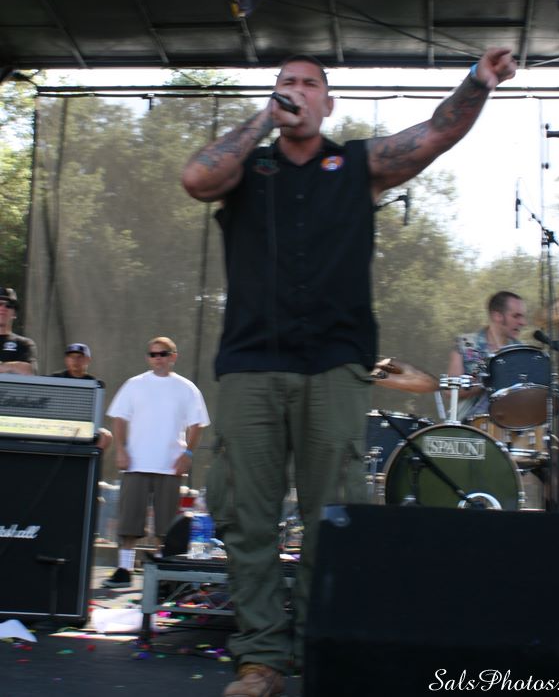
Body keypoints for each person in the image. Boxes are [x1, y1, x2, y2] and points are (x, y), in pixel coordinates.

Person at [181, 47, 516, 697]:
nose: (297, 91)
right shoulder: (246, 168)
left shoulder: (358, 164)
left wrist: (477, 81)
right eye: (287, 83)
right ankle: (260, 661)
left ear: (329, 102)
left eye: (309, 84)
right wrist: (264, 117)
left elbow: (436, 134)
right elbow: (196, 178)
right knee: (246, 515)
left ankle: (318, 651)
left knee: (332, 515)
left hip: (334, 365)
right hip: (251, 364)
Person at [102, 336, 210, 588]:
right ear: (148, 358)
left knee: (166, 526)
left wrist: (188, 455)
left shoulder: (187, 388)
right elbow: (119, 418)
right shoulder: (134, 384)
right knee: (129, 521)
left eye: (163, 354)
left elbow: (197, 424)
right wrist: (121, 450)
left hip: (169, 466)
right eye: (153, 354)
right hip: (136, 464)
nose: (158, 358)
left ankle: (164, 573)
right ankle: (124, 569)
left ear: (174, 356)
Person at [447, 290, 526, 421]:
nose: (522, 322)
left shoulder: (522, 351)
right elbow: (450, 390)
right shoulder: (466, 344)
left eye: (522, 317)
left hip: (510, 425)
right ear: (497, 316)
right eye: (516, 316)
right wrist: (487, 382)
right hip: (468, 426)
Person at [51, 343, 112, 450]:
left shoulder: (95, 383)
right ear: (66, 359)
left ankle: (91, 459)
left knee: (106, 436)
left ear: (88, 360)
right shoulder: (54, 379)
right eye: (71, 357)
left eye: (80, 357)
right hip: (58, 423)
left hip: (83, 426)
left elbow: (95, 414)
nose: (75, 361)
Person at [0, 286, 37, 374]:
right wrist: (10, 368)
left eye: (9, 306)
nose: (3, 309)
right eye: (0, 304)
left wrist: (3, 366)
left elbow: (28, 371)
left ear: (15, 314)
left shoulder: (24, 344)